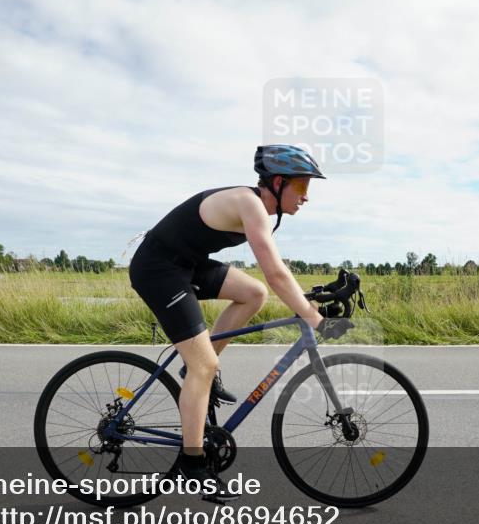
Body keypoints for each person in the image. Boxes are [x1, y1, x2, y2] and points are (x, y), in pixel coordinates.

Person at [129, 145, 347, 500]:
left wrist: (310, 300)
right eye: (303, 188)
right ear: (278, 183)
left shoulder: (257, 208)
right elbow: (276, 273)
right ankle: (192, 461)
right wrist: (316, 320)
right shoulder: (251, 205)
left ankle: (195, 374)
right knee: (205, 365)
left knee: (253, 293)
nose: (306, 198)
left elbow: (277, 275)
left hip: (186, 263)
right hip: (159, 270)